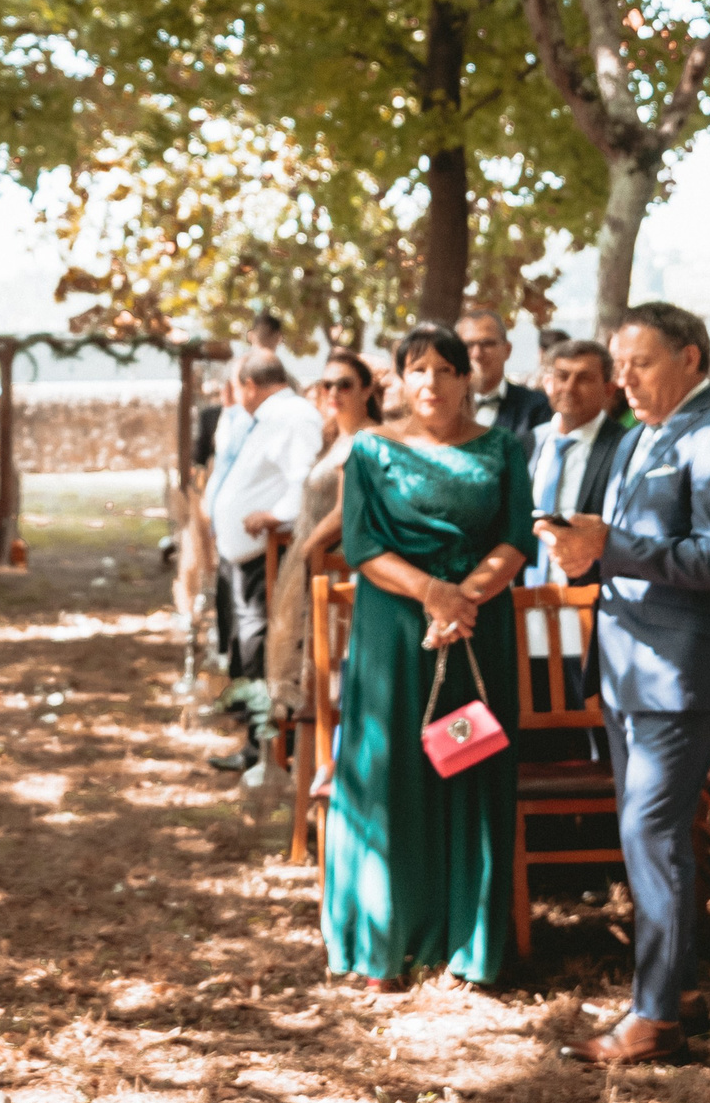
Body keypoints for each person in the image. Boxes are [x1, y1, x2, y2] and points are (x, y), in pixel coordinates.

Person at [537, 302, 710, 1065]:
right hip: (626, 665)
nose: (621, 378)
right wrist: (584, 553)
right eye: (618, 363)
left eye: (639, 362)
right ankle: (678, 989)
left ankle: (656, 1016)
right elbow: (630, 552)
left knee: (652, 830)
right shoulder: (641, 436)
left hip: (679, 670)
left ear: (691, 358)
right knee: (647, 837)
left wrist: (615, 546)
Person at [320, 326, 535, 989]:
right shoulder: (369, 449)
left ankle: (469, 942)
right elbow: (360, 544)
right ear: (398, 380)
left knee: (469, 762)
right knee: (391, 774)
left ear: (470, 378)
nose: (432, 383)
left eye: (447, 369)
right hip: (394, 630)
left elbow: (517, 537)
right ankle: (383, 942)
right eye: (418, 369)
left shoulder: (504, 448)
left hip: (477, 629)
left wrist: (463, 600)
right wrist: (432, 594)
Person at [202, 350, 323, 774]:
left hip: (267, 556)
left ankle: (264, 748)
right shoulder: (269, 416)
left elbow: (302, 479)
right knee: (246, 649)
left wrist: (276, 516)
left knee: (262, 651)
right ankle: (254, 740)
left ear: (251, 385)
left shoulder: (293, 416)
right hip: (245, 556)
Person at [266, 350, 380, 721]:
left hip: (334, 562)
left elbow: (347, 510)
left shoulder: (367, 438)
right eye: (327, 384)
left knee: (325, 666)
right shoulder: (333, 435)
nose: (334, 391)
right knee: (296, 658)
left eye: (344, 384)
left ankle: (324, 766)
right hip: (308, 554)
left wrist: (307, 549)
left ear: (366, 390)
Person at [526, 339, 626, 585]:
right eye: (562, 376)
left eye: (584, 378)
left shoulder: (626, 446)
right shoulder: (526, 443)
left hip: (595, 596)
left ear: (609, 388)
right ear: (547, 383)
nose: (569, 387)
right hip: (526, 597)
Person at [456, 308, 551, 436]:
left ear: (507, 350)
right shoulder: (441, 405)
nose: (477, 354)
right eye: (467, 345)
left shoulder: (536, 407)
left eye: (487, 344)